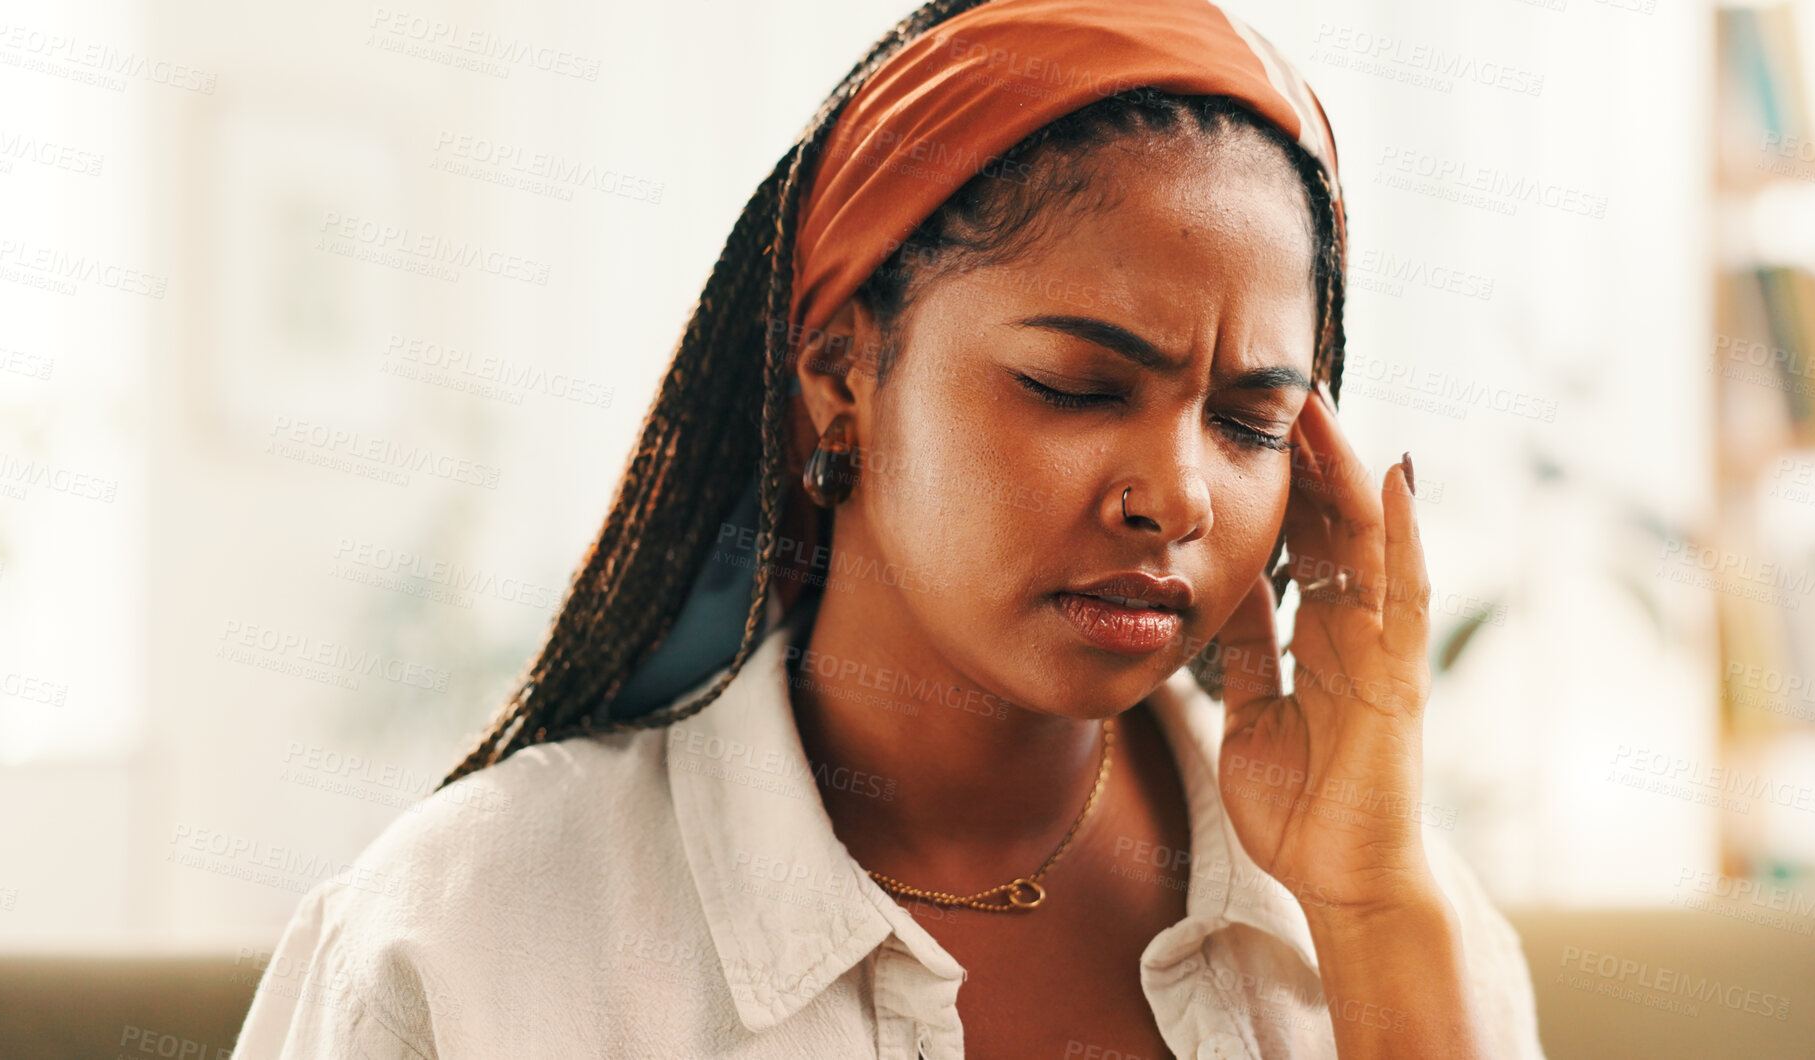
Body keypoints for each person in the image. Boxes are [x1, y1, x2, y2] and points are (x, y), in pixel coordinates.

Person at [230, 1, 1547, 1057]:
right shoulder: (464, 950)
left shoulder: (1381, 916)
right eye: (1075, 388)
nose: (1179, 494)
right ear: (840, 376)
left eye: (1250, 423)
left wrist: (1373, 916)